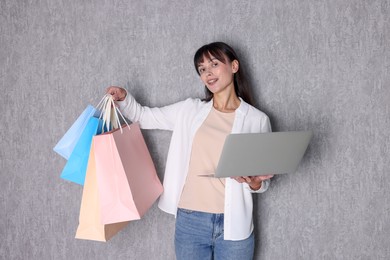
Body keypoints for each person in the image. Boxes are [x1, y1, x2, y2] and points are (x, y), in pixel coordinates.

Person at [106, 42, 273, 260]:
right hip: (191, 221)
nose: (208, 73)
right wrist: (124, 98)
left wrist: (254, 182)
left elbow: (263, 182)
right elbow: (145, 117)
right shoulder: (190, 110)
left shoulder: (257, 120)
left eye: (214, 64)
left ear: (234, 66)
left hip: (235, 225)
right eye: (202, 69)